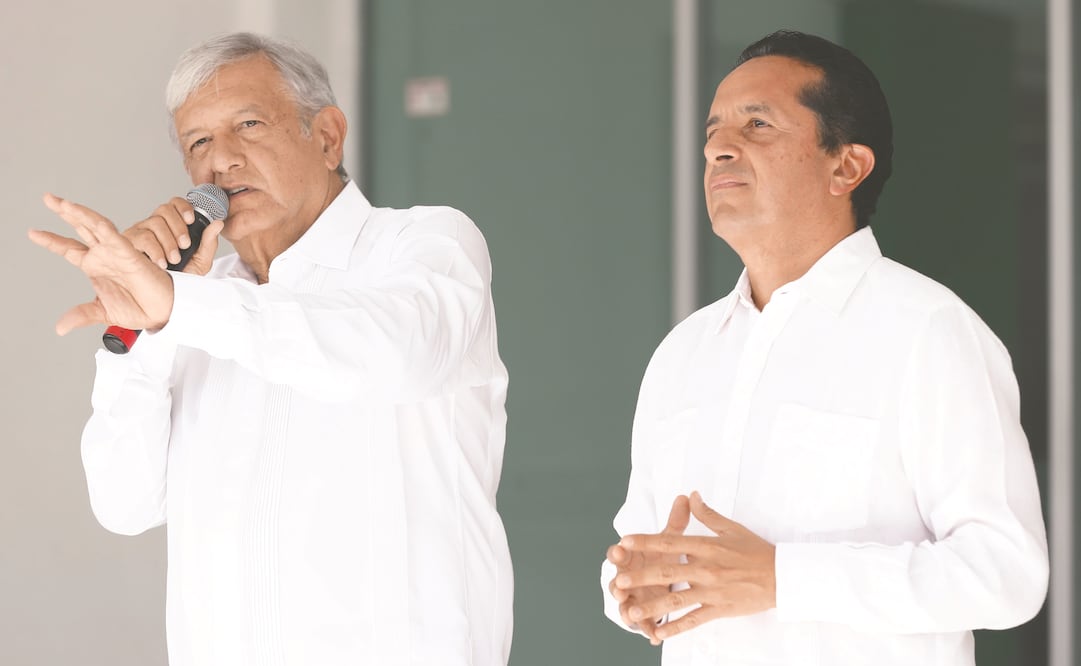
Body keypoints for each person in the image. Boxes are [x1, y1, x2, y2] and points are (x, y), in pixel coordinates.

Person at [30, 32, 512, 666]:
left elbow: (394, 353)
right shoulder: (197, 304)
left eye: (248, 125)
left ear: (328, 136)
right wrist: (143, 332)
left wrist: (180, 307)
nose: (219, 162)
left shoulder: (426, 244)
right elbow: (124, 503)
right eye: (197, 143)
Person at [600, 29, 1048, 665]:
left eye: (757, 125)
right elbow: (637, 549)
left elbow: (1007, 576)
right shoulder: (682, 353)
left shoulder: (930, 331)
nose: (719, 149)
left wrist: (784, 578)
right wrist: (629, 592)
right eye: (713, 132)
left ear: (847, 166)